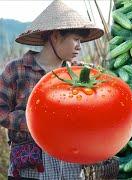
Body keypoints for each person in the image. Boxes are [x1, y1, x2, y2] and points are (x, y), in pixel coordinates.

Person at [0, 0, 116, 179]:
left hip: (70, 170)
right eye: (75, 39)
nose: (79, 46)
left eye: (81, 41)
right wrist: (36, 122)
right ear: (55, 36)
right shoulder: (17, 70)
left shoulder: (81, 74)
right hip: (29, 169)